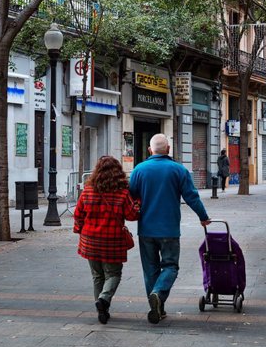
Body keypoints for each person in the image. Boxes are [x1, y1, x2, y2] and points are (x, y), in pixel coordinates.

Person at [129, 134, 211, 324]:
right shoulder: (178, 170)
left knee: (150, 269)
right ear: (168, 149)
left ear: (150, 150)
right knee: (170, 266)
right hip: (170, 230)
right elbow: (192, 196)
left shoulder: (139, 170)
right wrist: (203, 217)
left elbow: (131, 196)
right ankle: (158, 294)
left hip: (146, 229)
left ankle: (157, 307)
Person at [73, 156, 140, 324]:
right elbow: (132, 216)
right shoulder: (122, 193)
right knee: (113, 274)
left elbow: (78, 214)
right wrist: (138, 203)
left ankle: (102, 310)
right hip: (112, 241)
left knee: (97, 276)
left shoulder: (87, 190)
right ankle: (103, 300)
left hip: (90, 240)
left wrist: (81, 231)